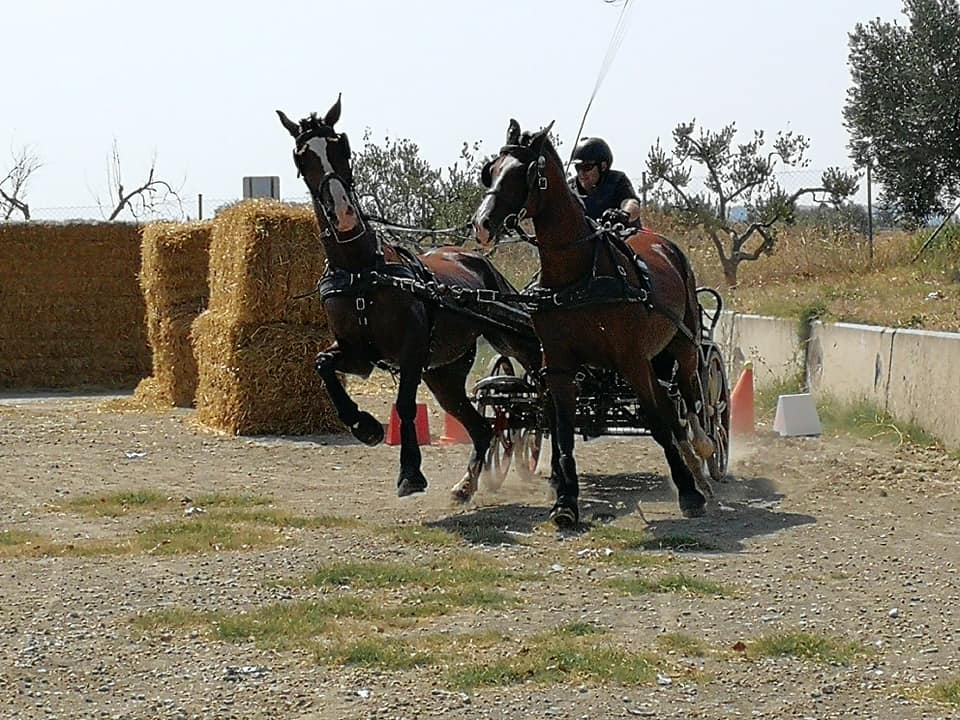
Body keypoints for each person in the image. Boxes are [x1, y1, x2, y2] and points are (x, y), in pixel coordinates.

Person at [567, 136, 643, 228]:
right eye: (577, 167)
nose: (581, 173)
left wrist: (623, 215)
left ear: (603, 166)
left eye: (587, 167)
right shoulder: (570, 188)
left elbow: (631, 203)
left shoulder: (617, 180)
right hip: (586, 241)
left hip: (623, 238)